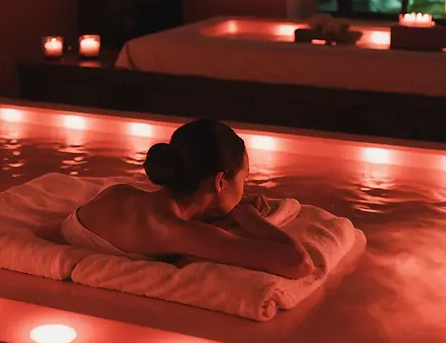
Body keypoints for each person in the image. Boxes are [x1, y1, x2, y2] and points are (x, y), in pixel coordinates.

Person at [53, 119, 315, 280]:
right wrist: (250, 217)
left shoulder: (127, 193)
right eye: (244, 179)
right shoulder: (178, 231)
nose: (244, 189)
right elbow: (299, 263)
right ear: (220, 181)